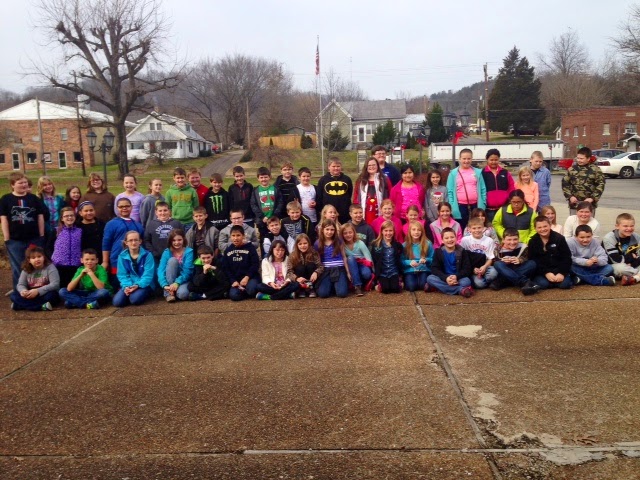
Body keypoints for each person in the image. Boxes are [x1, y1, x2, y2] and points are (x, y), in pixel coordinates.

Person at [1, 172, 46, 290]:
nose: (24, 185)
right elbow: (4, 219)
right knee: (18, 267)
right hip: (15, 240)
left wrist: (41, 235)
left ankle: (37, 290)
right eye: (20, 183)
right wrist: (7, 238)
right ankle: (19, 292)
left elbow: (40, 217)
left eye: (25, 182)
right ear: (12, 185)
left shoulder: (34, 199)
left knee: (36, 265)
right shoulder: (6, 199)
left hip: (34, 238)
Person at [102, 198, 144, 288]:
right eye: (121, 206)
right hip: (116, 260)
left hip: (135, 260)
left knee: (133, 284)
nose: (124, 208)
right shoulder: (111, 224)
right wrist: (105, 261)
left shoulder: (138, 225)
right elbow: (106, 244)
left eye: (127, 206)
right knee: (118, 286)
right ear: (117, 208)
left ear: (131, 207)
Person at [426, 227, 474, 297]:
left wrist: (456, 276)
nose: (450, 240)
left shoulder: (462, 251)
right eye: (446, 238)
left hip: (458, 277)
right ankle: (460, 290)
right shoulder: (438, 252)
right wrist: (445, 278)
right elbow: (434, 268)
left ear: (456, 238)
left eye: (452, 237)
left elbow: (467, 269)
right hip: (444, 277)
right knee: (430, 278)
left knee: (466, 282)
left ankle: (438, 287)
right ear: (442, 240)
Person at [112, 231, 155, 307]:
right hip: (129, 284)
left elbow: (148, 275)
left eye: (136, 240)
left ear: (140, 241)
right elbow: (122, 275)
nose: (133, 242)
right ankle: (130, 294)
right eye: (130, 240)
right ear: (126, 242)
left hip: (143, 284)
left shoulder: (147, 255)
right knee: (117, 302)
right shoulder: (121, 256)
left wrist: (137, 285)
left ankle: (144, 294)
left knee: (135, 300)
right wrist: (127, 286)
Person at [447, 148, 487, 231]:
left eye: (469, 158)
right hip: (460, 205)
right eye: (464, 158)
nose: (466, 161)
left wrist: (483, 203)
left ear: (472, 159)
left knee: (476, 227)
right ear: (459, 159)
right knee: (462, 228)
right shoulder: (453, 173)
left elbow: (483, 189)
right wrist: (452, 204)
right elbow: (449, 191)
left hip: (476, 205)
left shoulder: (477, 172)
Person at [528, 216, 573, 290]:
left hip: (558, 269)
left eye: (545, 226)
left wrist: (562, 273)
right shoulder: (533, 241)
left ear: (550, 225)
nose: (543, 229)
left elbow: (566, 257)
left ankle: (568, 278)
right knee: (543, 284)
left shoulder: (559, 238)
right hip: (542, 271)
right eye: (539, 227)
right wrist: (546, 273)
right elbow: (533, 260)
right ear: (535, 228)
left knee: (565, 285)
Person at [490, 227, 539, 295]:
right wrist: (502, 261)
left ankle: (503, 281)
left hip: (519, 269)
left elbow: (527, 257)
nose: (512, 242)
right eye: (509, 240)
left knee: (532, 263)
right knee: (497, 264)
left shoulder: (523, 247)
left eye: (515, 239)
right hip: (505, 271)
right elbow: (493, 261)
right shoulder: (497, 249)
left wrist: (520, 260)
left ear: (519, 239)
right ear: (503, 240)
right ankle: (524, 282)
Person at [10, 246, 60, 311]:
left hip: (44, 293)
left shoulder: (50, 267)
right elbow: (21, 284)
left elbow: (55, 284)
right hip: (30, 295)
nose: (37, 259)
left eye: (39, 256)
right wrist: (23, 291)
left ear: (43, 257)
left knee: (52, 295)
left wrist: (38, 291)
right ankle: (41, 306)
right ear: (29, 260)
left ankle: (20, 306)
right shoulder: (26, 269)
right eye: (33, 258)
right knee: (13, 295)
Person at [562, 146, 605, 215]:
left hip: (589, 204)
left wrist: (592, 198)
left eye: (581, 158)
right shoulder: (571, 169)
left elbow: (601, 185)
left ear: (588, 159)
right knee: (574, 221)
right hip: (574, 204)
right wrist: (570, 196)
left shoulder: (595, 170)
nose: (579, 160)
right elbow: (565, 183)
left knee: (588, 221)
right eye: (578, 158)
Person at [221, 224, 260, 301]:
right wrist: (233, 281)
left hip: (250, 278)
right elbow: (226, 268)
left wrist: (247, 277)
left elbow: (255, 264)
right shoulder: (228, 251)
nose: (235, 238)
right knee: (234, 296)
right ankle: (243, 291)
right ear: (230, 237)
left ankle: (246, 291)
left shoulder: (250, 248)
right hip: (236, 280)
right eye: (233, 236)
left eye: (238, 235)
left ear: (243, 236)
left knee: (252, 289)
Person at [314, 220, 351, 298]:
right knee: (323, 294)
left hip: (339, 268)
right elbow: (318, 260)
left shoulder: (339, 241)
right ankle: (331, 285)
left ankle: (338, 284)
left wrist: (348, 272)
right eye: (327, 229)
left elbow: (344, 256)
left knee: (342, 294)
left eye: (332, 230)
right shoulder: (317, 243)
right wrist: (317, 272)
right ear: (322, 230)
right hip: (326, 270)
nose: (329, 232)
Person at [602, 212, 640, 285]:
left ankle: (634, 278)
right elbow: (616, 260)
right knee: (621, 268)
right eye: (625, 226)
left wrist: (632, 263)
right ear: (617, 226)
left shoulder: (636, 237)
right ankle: (637, 276)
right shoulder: (609, 238)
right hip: (613, 265)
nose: (629, 228)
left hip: (631, 265)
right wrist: (631, 257)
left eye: (632, 226)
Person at [460, 217, 498, 289]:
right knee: (479, 284)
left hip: (485, 265)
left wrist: (485, 267)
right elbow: (463, 258)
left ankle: (487, 280)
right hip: (472, 267)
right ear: (469, 229)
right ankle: (484, 281)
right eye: (474, 228)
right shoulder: (465, 240)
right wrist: (473, 269)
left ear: (483, 228)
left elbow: (490, 258)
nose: (477, 230)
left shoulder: (489, 240)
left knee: (493, 273)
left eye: (479, 228)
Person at [158, 229, 194, 302]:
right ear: (170, 241)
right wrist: (164, 285)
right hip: (169, 281)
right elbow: (160, 270)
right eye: (174, 240)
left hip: (183, 280)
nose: (177, 242)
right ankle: (169, 293)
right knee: (172, 260)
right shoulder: (167, 252)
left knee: (183, 294)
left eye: (179, 240)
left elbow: (187, 271)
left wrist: (177, 283)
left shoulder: (189, 252)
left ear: (183, 239)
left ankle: (175, 291)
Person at [352, 157, 391, 225]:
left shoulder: (384, 179)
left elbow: (390, 195)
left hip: (381, 213)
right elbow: (356, 196)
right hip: (365, 214)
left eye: (373, 165)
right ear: (366, 167)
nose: (371, 167)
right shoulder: (360, 180)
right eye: (369, 165)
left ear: (377, 166)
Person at [143, 201, 183, 265]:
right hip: (156, 257)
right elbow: (146, 240)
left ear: (169, 211)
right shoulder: (151, 224)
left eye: (165, 210)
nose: (163, 213)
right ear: (156, 212)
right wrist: (153, 252)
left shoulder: (176, 223)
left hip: (174, 256)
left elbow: (183, 238)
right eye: (160, 211)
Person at [51, 207, 83, 287]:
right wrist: (53, 258)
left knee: (74, 287)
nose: (69, 217)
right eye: (66, 216)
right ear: (62, 218)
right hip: (60, 265)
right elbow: (48, 247)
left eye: (72, 215)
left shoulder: (80, 231)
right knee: (62, 287)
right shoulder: (56, 231)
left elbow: (83, 245)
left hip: (75, 265)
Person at [316, 157, 353, 224]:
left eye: (338, 166)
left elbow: (349, 194)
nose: (336, 168)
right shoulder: (323, 180)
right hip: (329, 214)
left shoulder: (347, 179)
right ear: (329, 167)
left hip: (344, 213)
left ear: (341, 167)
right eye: (333, 166)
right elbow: (319, 197)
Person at [371, 220, 403, 294]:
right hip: (382, 273)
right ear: (382, 231)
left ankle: (398, 282)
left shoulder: (397, 245)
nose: (388, 233)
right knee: (385, 290)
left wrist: (400, 275)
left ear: (394, 232)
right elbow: (374, 260)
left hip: (393, 272)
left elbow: (399, 259)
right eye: (386, 231)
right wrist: (376, 274)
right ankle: (379, 284)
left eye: (390, 231)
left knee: (395, 289)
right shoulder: (376, 244)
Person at [251, 166, 284, 238]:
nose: (264, 179)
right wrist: (262, 217)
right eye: (261, 177)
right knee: (264, 239)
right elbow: (253, 204)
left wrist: (274, 215)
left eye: (266, 177)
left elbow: (280, 202)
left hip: (274, 220)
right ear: (258, 178)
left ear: (269, 177)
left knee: (276, 238)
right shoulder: (255, 190)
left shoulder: (275, 189)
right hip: (262, 221)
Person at [481, 148, 514, 222]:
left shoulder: (505, 172)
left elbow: (511, 187)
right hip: (489, 210)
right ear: (487, 159)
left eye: (496, 160)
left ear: (499, 159)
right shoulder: (482, 173)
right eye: (491, 160)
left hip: (504, 208)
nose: (493, 162)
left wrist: (509, 199)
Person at [286, 233, 323, 298]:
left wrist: (316, 272)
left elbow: (320, 266)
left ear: (308, 243)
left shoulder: (314, 253)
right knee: (300, 267)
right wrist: (296, 278)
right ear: (296, 245)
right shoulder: (292, 255)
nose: (303, 246)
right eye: (300, 244)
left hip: (311, 278)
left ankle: (311, 288)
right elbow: (289, 272)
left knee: (310, 265)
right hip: (299, 279)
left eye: (305, 243)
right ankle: (301, 289)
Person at [341, 222, 373, 295]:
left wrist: (372, 270)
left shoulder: (359, 243)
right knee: (350, 258)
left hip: (362, 264)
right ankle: (357, 286)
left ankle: (364, 281)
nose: (348, 235)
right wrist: (348, 272)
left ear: (354, 233)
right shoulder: (342, 245)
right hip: (351, 265)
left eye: (350, 232)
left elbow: (368, 257)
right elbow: (344, 258)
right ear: (342, 235)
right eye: (345, 233)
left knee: (366, 274)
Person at [401, 221, 433, 292]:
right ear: (409, 231)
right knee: (411, 287)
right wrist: (409, 262)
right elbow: (401, 260)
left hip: (423, 269)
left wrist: (426, 260)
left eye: (419, 230)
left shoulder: (428, 243)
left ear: (422, 232)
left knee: (422, 285)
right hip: (410, 270)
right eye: (414, 230)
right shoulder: (404, 245)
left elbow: (433, 258)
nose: (416, 232)